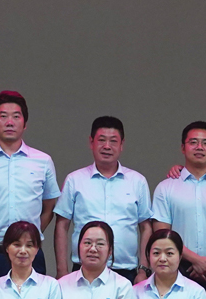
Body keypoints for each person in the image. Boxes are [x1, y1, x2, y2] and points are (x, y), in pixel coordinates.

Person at [0, 90, 60, 286]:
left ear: (25, 123)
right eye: (3, 116)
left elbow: (49, 207)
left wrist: (29, 235)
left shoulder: (43, 161)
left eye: (16, 116)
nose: (10, 122)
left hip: (30, 253)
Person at [150, 121, 206, 298]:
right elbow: (162, 232)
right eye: (193, 142)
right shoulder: (166, 188)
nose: (199, 147)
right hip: (177, 268)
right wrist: (195, 260)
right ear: (182, 147)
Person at [53, 117, 153, 282]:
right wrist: (62, 270)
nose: (107, 146)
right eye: (101, 140)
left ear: (121, 145)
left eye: (113, 141)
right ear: (91, 142)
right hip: (83, 270)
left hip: (126, 271)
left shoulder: (137, 181)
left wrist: (143, 270)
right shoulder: (75, 180)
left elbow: (146, 227)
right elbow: (62, 225)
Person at [57, 221, 138, 299]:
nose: (93, 249)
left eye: (100, 244)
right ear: (78, 247)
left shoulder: (122, 286)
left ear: (110, 250)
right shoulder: (61, 285)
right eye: (87, 243)